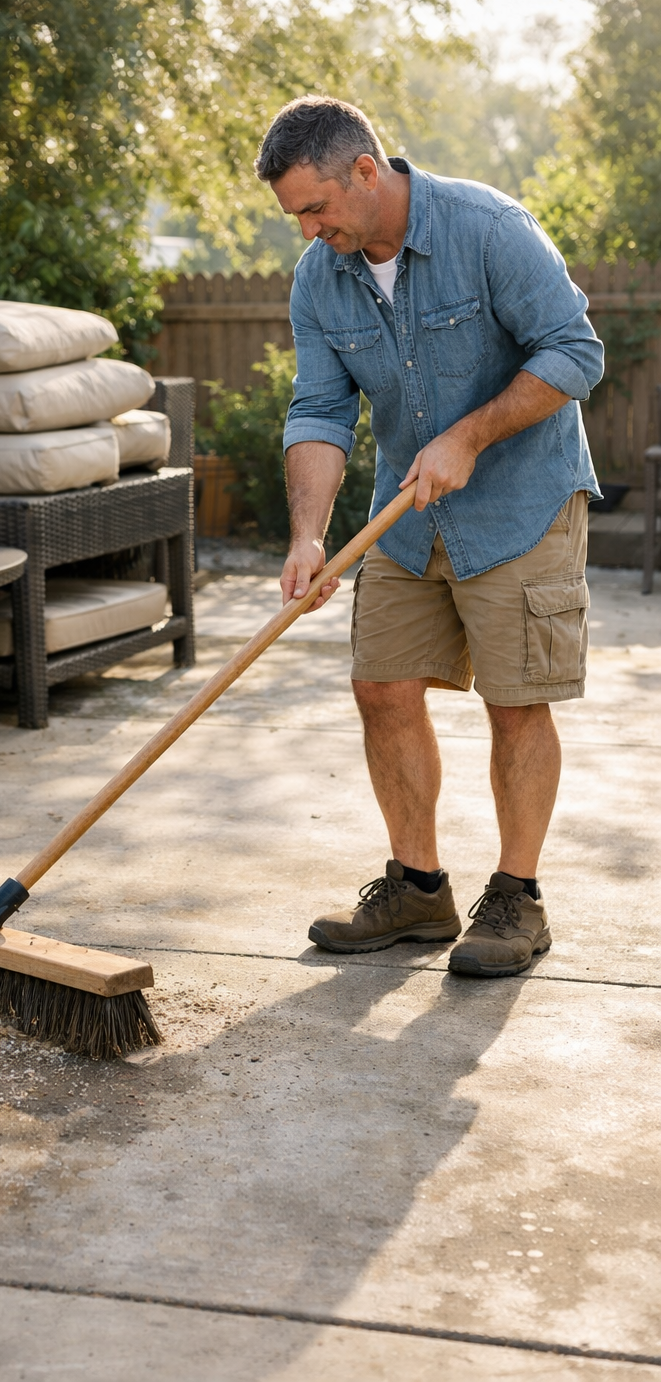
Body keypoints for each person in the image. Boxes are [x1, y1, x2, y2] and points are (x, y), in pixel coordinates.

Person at [255, 96, 604, 976]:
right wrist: (308, 535)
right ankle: (417, 891)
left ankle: (517, 902)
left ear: (364, 172)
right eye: (295, 214)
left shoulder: (489, 230)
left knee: (516, 700)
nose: (307, 228)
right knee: (381, 687)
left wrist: (472, 433)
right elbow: (320, 409)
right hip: (408, 517)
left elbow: (574, 352)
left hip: (520, 503)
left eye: (315, 207)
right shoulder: (319, 276)